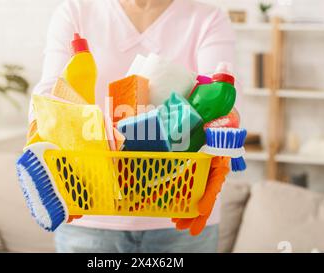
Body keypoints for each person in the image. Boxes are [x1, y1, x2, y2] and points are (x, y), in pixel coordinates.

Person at [30, 0, 236, 253]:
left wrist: (225, 135)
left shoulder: (207, 18)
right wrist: (37, 130)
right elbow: (52, 89)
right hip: (90, 208)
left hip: (181, 206)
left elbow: (221, 97)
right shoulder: (76, 11)